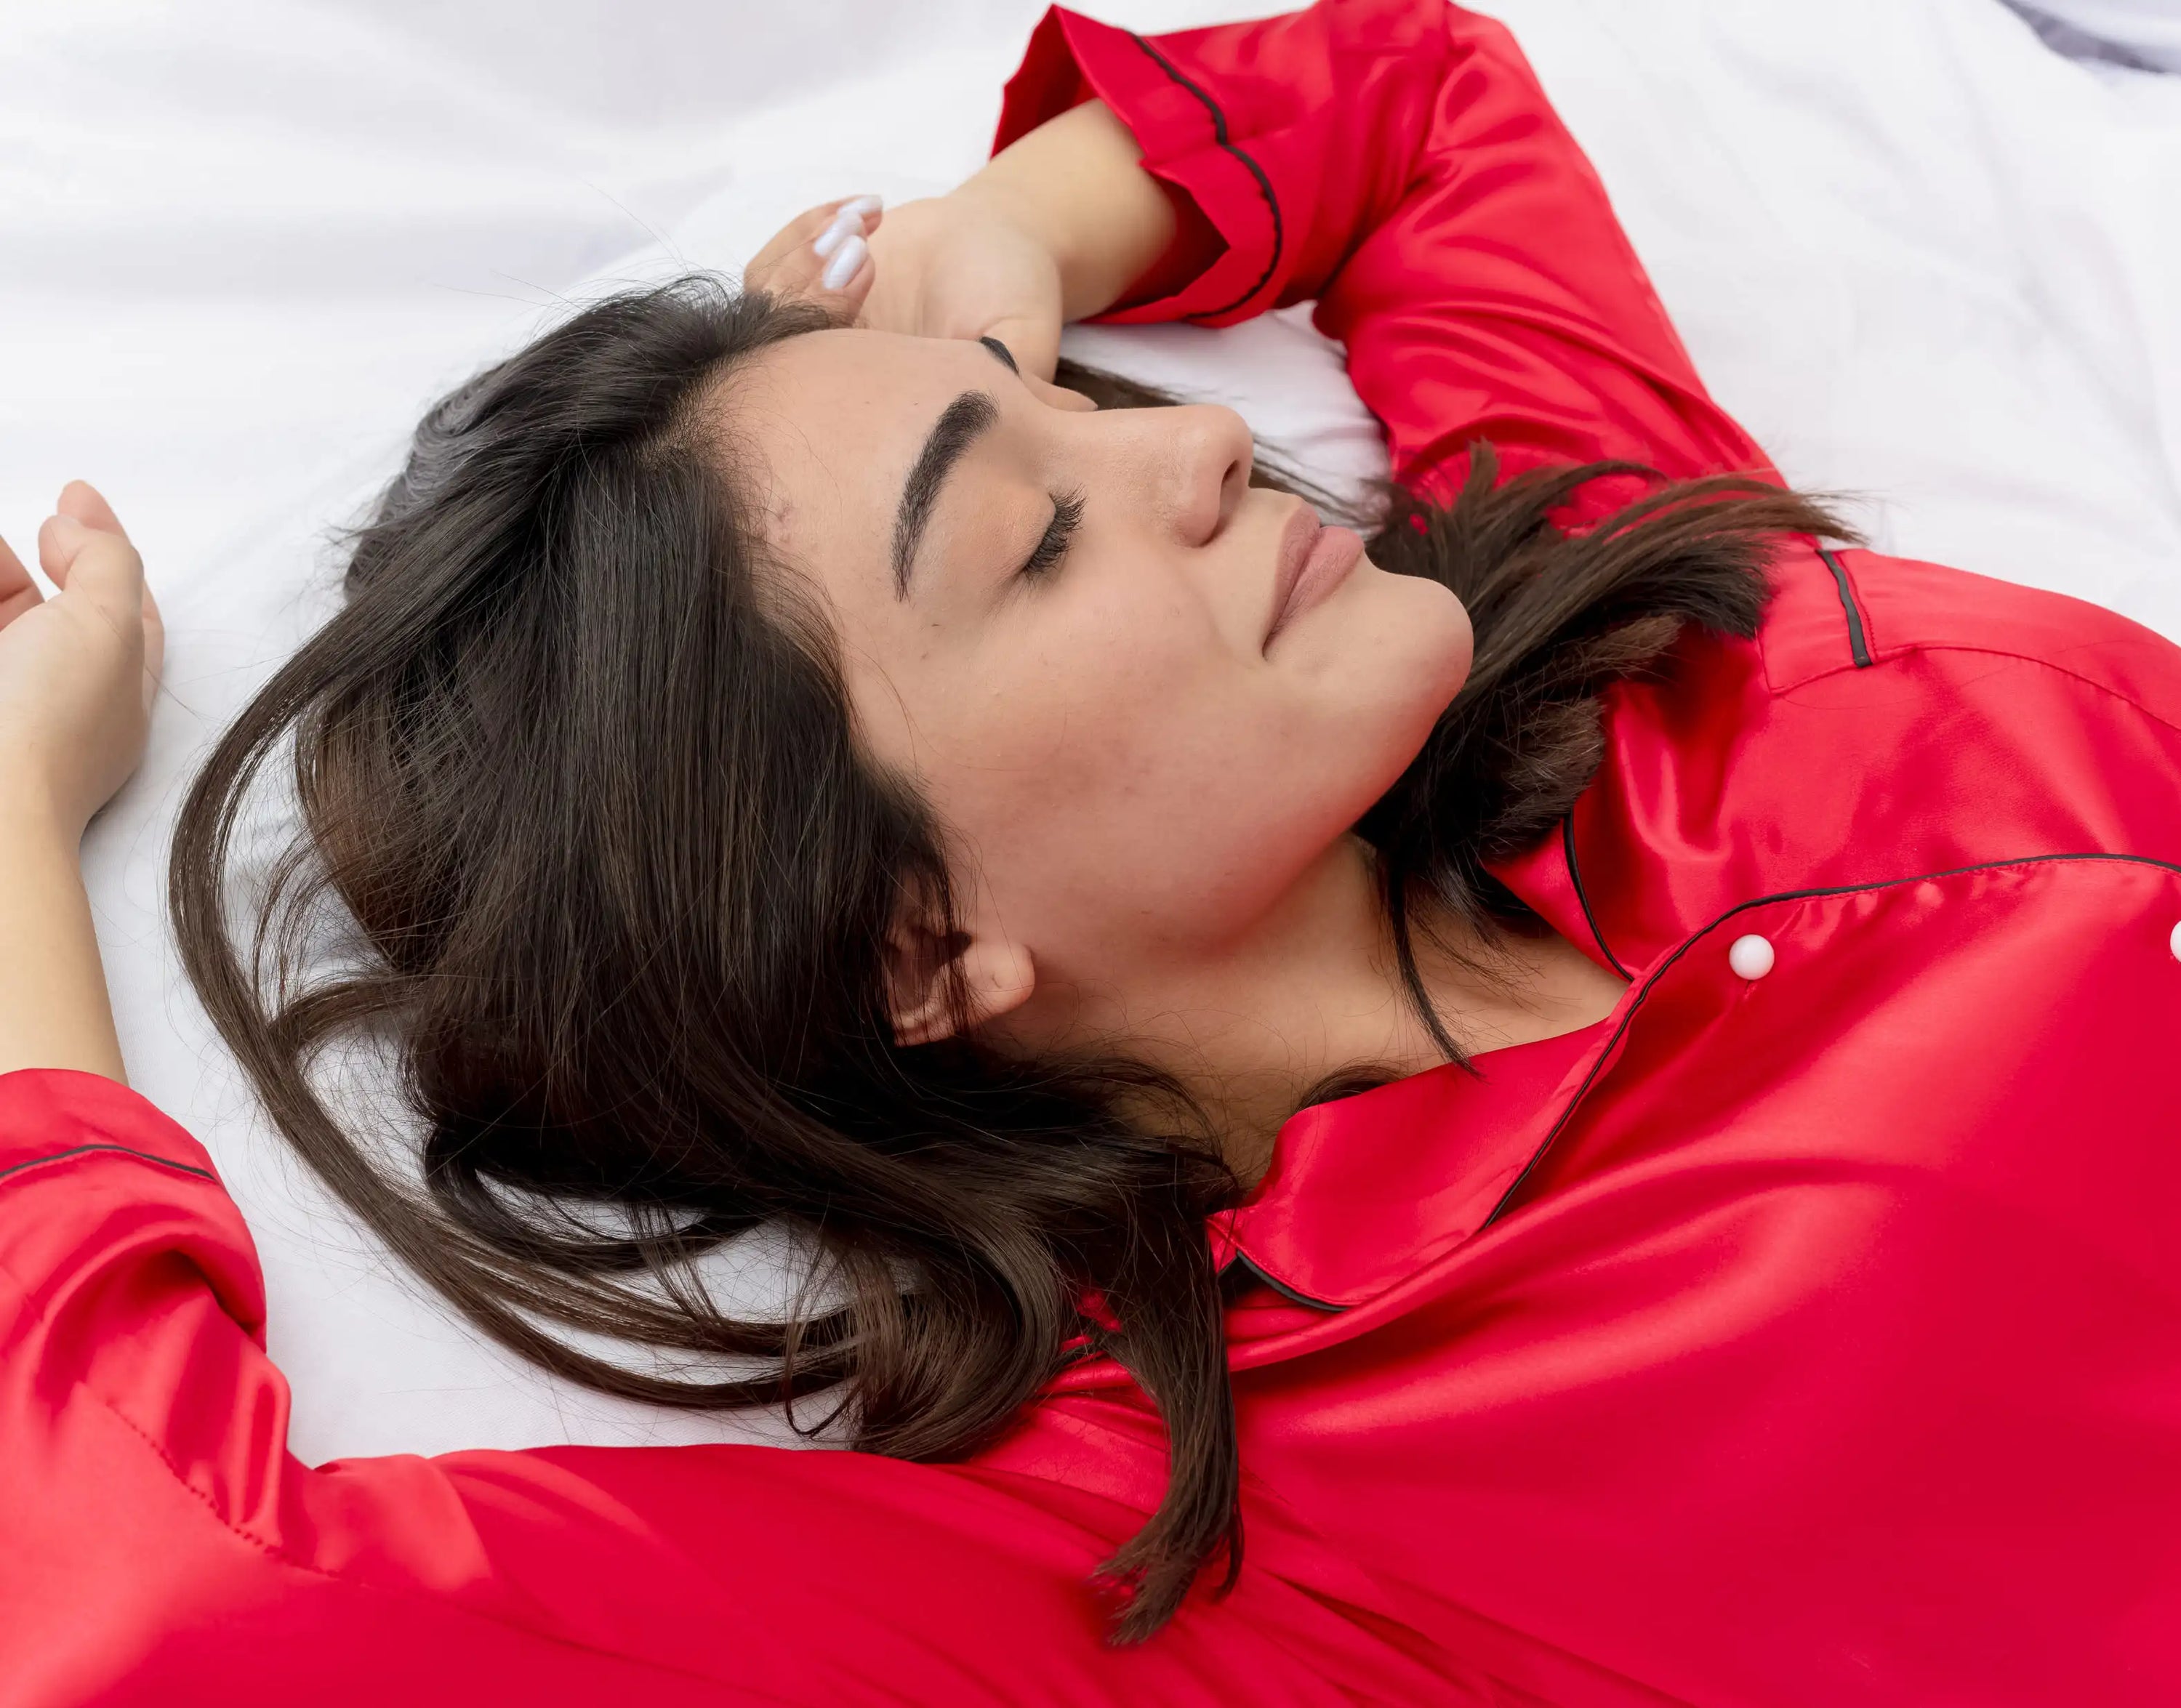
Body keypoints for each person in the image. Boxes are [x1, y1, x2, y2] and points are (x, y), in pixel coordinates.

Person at [4, 0, 2179, 1699]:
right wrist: (16, 820)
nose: (1211, 438)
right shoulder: (1249, 1553)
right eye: (1036, 533)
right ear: (917, 943)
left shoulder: (1611, 632)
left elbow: (1407, 106)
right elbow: (160, 1604)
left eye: (1087, 407)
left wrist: (1021, 235)